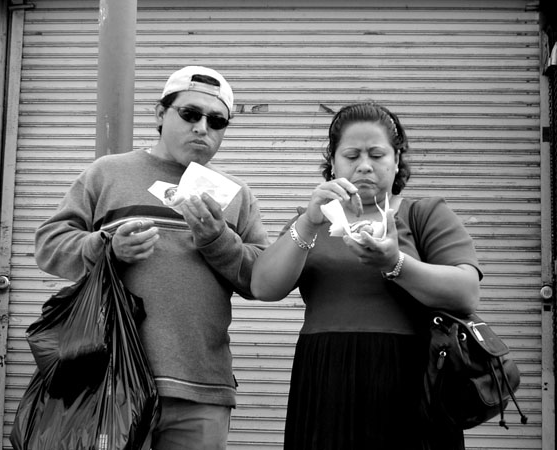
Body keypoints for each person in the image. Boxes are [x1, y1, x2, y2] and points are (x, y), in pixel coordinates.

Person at [35, 66, 270, 450]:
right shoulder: (107, 174)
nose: (202, 128)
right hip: (109, 383)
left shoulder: (235, 194)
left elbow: (260, 279)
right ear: (160, 114)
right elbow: (49, 244)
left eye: (217, 121)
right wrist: (107, 248)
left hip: (201, 387)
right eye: (190, 114)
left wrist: (217, 239)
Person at [251, 102, 483, 450]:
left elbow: (466, 293)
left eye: (377, 154)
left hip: (410, 377)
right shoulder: (312, 220)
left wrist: (395, 263)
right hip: (326, 376)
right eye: (351, 155)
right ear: (332, 162)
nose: (364, 165)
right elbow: (263, 287)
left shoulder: (424, 214)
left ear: (396, 159)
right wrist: (309, 222)